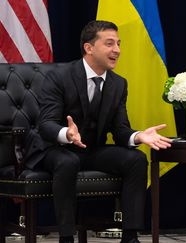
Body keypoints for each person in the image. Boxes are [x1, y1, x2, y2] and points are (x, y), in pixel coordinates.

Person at [24, 20, 172, 243]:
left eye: (119, 44)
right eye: (110, 43)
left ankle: (130, 236)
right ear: (89, 48)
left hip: (92, 150)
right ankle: (66, 237)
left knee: (136, 159)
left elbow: (120, 129)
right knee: (68, 162)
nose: (117, 50)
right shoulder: (60, 77)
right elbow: (46, 124)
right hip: (55, 148)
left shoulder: (118, 84)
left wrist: (138, 136)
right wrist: (67, 133)